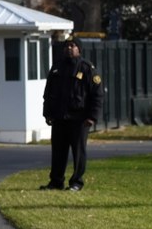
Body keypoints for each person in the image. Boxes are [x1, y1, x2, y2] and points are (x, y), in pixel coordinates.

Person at [40, 38, 104, 191]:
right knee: (58, 152)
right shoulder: (56, 68)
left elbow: (97, 95)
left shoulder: (87, 69)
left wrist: (92, 117)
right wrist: (47, 113)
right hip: (59, 118)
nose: (69, 48)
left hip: (79, 120)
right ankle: (56, 182)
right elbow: (48, 93)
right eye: (67, 46)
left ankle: (76, 182)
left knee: (78, 152)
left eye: (73, 46)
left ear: (79, 49)